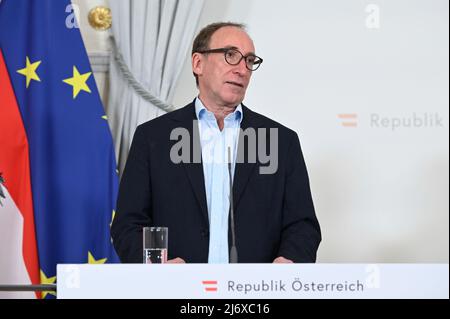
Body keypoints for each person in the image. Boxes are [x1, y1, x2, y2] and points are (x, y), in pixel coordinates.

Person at [111, 22, 321, 264]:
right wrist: (156, 266)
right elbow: (128, 225)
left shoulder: (280, 141)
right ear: (198, 63)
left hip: (254, 295)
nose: (242, 69)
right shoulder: (153, 138)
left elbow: (303, 226)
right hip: (178, 292)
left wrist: (288, 260)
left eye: (249, 61)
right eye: (231, 56)